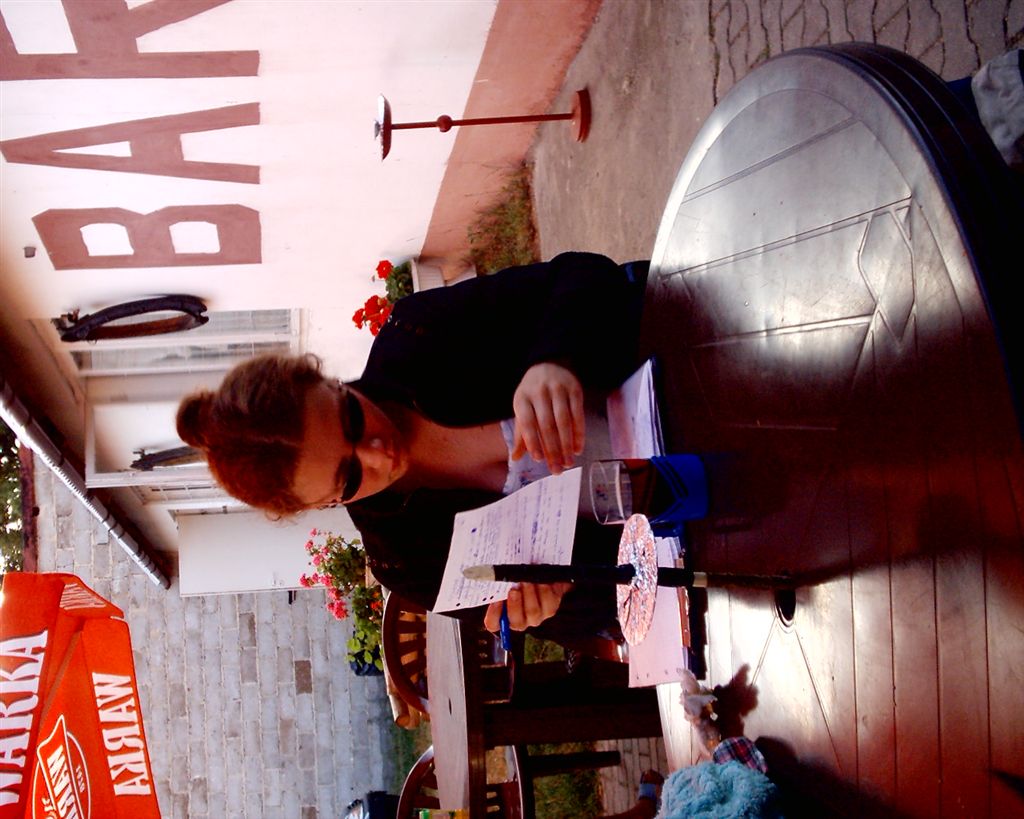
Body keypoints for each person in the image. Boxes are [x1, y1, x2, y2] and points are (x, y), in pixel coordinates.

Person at [177, 252, 649, 645]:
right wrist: (552, 600)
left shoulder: (418, 335)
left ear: (329, 381)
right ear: (322, 503)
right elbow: (614, 607)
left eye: (352, 418)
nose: (378, 453)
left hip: (674, 360)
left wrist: (555, 357)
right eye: (349, 478)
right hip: (677, 521)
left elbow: (585, 274)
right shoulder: (404, 559)